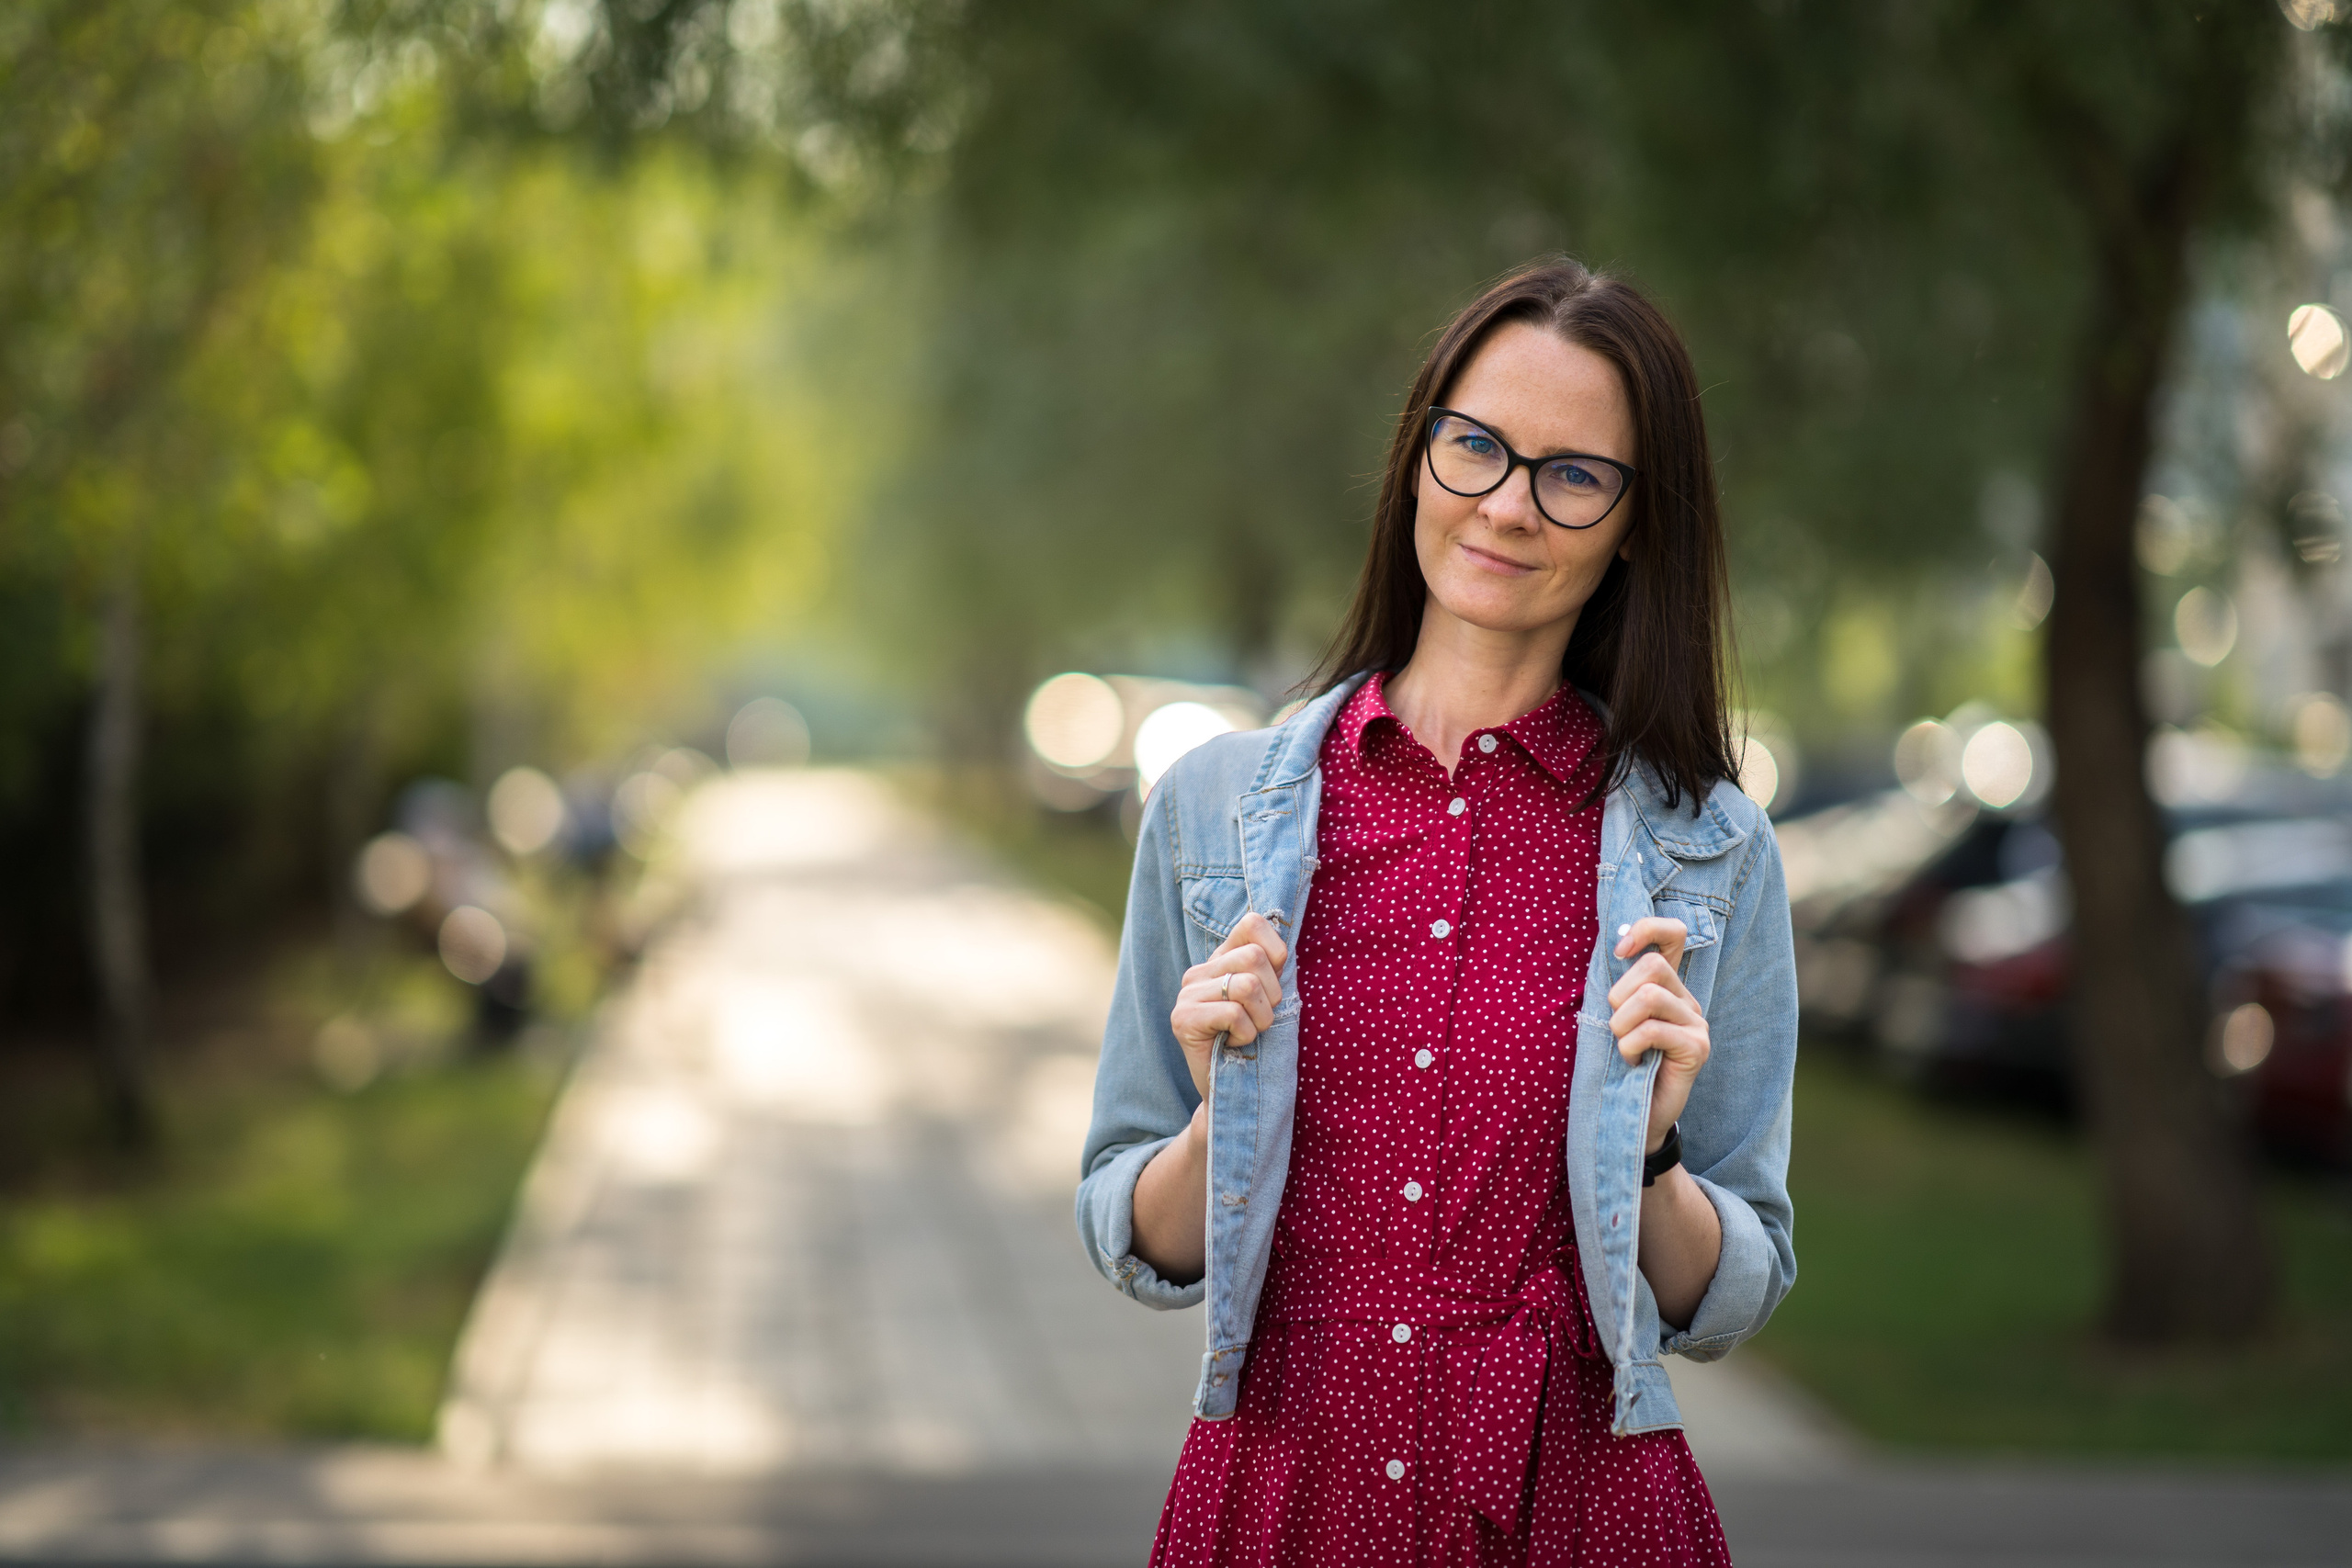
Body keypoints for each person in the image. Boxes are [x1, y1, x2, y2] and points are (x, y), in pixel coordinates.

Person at [1077, 258, 1798, 1566]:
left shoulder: (1711, 855)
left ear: (1638, 521)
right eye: (1476, 448)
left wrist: (1652, 1152)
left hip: (1578, 1515)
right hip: (1285, 1505)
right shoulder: (1213, 817)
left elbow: (1727, 1293)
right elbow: (1133, 1233)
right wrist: (1211, 1112)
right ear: (1420, 456)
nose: (1508, 508)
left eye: (1573, 474)